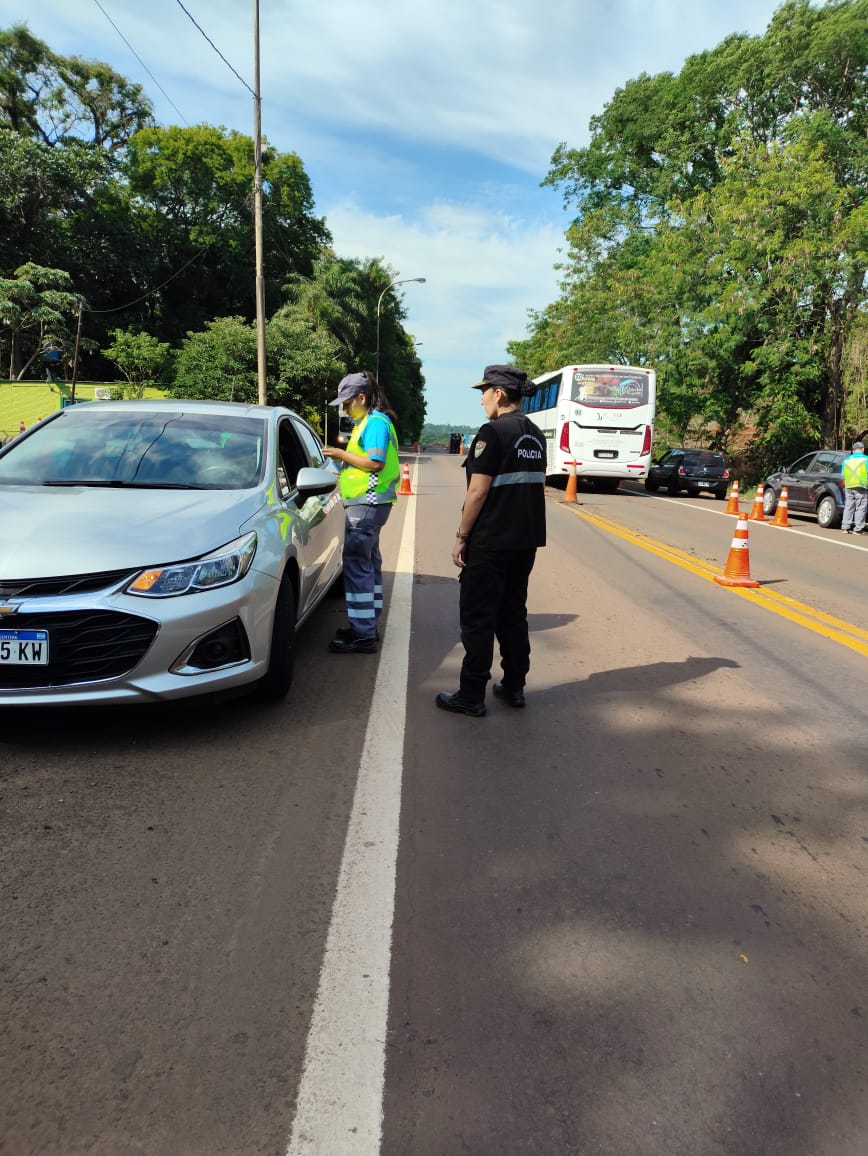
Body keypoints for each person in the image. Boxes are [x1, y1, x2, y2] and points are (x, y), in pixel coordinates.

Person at [436, 364, 547, 717]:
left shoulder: (493, 433)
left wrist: (461, 536)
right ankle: (514, 685)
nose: (482, 399)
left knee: (478, 617)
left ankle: (471, 694)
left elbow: (478, 491)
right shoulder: (535, 434)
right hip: (524, 540)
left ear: (499, 393)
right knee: (513, 613)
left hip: (491, 541)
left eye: (484, 392)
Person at [323, 371, 400, 653]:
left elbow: (375, 462)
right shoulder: (367, 422)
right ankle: (367, 624)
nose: (344, 407)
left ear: (362, 397)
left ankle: (362, 633)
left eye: (347, 401)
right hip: (368, 504)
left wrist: (341, 455)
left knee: (357, 565)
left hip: (367, 504)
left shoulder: (375, 423)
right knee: (368, 562)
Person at [841, 439, 868, 534]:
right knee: (861, 507)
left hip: (848, 486)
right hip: (861, 486)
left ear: (853, 450)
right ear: (863, 449)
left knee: (848, 506)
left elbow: (842, 474)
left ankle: (845, 527)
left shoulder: (847, 460)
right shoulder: (866, 459)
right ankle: (858, 529)